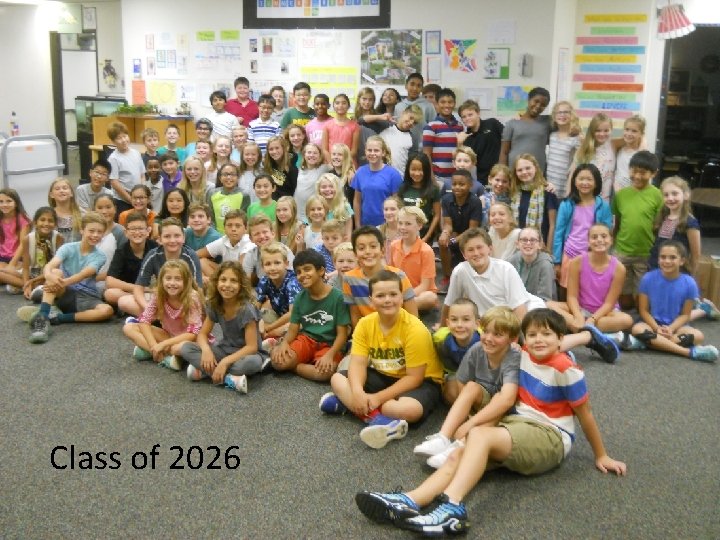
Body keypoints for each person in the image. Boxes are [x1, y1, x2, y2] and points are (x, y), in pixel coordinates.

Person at [355, 308, 626, 536]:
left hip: (550, 434)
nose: (539, 340)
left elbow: (585, 414)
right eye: (533, 334)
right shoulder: (523, 353)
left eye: (546, 335)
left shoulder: (567, 370)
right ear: (524, 339)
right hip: (517, 423)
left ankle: (452, 507)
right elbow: (515, 341)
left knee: (478, 435)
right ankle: (410, 500)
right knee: (459, 453)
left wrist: (601, 455)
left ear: (560, 338)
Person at [322, 270, 444, 449]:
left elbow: (414, 378)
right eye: (380, 296)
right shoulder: (365, 324)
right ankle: (379, 420)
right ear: (371, 300)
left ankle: (351, 405)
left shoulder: (415, 329)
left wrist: (378, 398)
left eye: (393, 294)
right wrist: (358, 392)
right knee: (337, 379)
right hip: (384, 373)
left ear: (401, 298)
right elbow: (358, 363)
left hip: (421, 381)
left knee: (408, 410)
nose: (387, 300)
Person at [414, 306, 521, 467]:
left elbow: (506, 400)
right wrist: (466, 414)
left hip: (504, 410)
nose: (488, 338)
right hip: (484, 401)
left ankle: (458, 447)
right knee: (471, 386)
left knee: (496, 407)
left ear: (512, 339)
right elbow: (462, 383)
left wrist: (471, 424)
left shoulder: (513, 358)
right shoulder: (477, 349)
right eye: (486, 331)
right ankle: (442, 438)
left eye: (497, 334)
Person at [18, 212, 114, 344]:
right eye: (91, 231)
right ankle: (42, 319)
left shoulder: (100, 256)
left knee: (107, 311)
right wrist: (49, 275)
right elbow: (50, 265)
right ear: (82, 230)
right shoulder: (67, 248)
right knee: (55, 272)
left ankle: (56, 317)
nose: (95, 235)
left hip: (87, 297)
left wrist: (62, 282)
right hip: (65, 292)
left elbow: (83, 274)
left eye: (100, 232)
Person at [180, 261, 267, 394]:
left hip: (246, 354)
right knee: (186, 348)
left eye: (233, 281)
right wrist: (206, 351)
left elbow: (251, 347)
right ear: (216, 282)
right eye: (223, 280)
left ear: (241, 285)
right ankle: (229, 379)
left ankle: (207, 372)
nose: (227, 285)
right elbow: (202, 334)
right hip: (224, 349)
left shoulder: (246, 310)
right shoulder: (215, 304)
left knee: (250, 364)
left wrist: (225, 362)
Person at [270, 249, 350, 381]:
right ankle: (295, 360)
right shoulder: (300, 298)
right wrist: (285, 343)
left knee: (325, 373)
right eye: (298, 272)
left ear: (321, 271)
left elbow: (342, 335)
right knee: (278, 362)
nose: (302, 275)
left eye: (307, 269)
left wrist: (330, 355)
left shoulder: (338, 298)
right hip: (306, 340)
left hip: (329, 345)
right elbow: (293, 329)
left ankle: (296, 366)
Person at [631, 242, 718, 362]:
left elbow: (685, 315)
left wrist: (671, 328)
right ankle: (689, 352)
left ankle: (648, 342)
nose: (667, 261)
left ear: (682, 261)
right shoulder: (648, 278)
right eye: (663, 257)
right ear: (658, 259)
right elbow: (643, 310)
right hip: (652, 324)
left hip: (676, 326)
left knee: (699, 336)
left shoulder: (689, 283)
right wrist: (656, 328)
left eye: (672, 257)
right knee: (637, 329)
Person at [441, 227, 544, 325]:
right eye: (470, 250)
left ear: (490, 249)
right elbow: (449, 303)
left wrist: (518, 337)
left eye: (479, 247)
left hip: (524, 313)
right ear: (464, 255)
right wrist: (442, 329)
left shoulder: (506, 269)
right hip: (489, 322)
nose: (476, 253)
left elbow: (519, 309)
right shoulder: (460, 271)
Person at [547, 223, 633, 338]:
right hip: (580, 309)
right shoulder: (577, 262)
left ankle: (580, 329)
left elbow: (609, 303)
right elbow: (572, 296)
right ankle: (590, 331)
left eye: (604, 236)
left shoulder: (619, 268)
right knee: (548, 306)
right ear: (588, 242)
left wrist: (593, 319)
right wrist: (578, 316)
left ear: (611, 240)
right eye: (594, 237)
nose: (599, 240)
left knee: (627, 320)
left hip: (605, 314)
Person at [122, 259, 202, 371]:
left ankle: (154, 352)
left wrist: (163, 344)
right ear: (161, 280)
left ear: (186, 281)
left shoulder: (192, 297)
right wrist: (153, 345)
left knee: (177, 349)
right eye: (168, 278)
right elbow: (144, 321)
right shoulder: (159, 294)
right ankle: (162, 356)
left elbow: (192, 334)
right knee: (128, 328)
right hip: (168, 335)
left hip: (189, 341)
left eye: (178, 279)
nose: (172, 283)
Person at [611, 150, 663, 309]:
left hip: (645, 253)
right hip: (622, 251)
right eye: (634, 171)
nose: (638, 176)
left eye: (643, 173)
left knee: (642, 295)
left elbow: (658, 225)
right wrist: (613, 242)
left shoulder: (658, 195)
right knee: (623, 294)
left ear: (654, 173)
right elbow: (618, 222)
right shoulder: (621, 195)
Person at [120, 217, 202, 317]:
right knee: (123, 301)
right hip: (161, 298)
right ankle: (161, 317)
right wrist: (147, 308)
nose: (172, 240)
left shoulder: (191, 256)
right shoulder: (153, 255)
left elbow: (198, 290)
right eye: (167, 236)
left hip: (183, 299)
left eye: (177, 236)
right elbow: (138, 288)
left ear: (184, 238)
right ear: (160, 239)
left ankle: (165, 318)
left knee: (198, 306)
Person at [553, 164, 613, 292]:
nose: (585, 183)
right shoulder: (566, 205)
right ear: (575, 181)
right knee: (567, 292)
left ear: (596, 183)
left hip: (592, 256)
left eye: (589, 179)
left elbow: (606, 233)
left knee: (588, 293)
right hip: (570, 254)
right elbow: (558, 234)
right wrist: (557, 261)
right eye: (581, 179)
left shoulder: (603, 206)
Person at [438, 169, 483, 292]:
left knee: (462, 241)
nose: (457, 187)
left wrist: (453, 240)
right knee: (442, 242)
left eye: (462, 184)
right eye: (454, 184)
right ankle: (448, 276)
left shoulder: (475, 202)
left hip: (471, 235)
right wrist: (445, 234)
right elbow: (448, 224)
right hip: (455, 233)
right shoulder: (446, 199)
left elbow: (472, 229)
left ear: (470, 185)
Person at [1, 206, 60, 298]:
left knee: (55, 276)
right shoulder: (28, 239)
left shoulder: (58, 238)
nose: (46, 223)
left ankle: (32, 286)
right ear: (35, 223)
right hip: (32, 272)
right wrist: (26, 285)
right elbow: (26, 267)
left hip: (48, 274)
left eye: (50, 221)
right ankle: (32, 287)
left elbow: (56, 267)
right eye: (42, 220)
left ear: (55, 224)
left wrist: (32, 281)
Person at [431, 298, 482, 403]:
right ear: (448, 323)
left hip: (481, 373)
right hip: (455, 371)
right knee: (452, 395)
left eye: (466, 319)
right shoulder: (440, 339)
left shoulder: (484, 340)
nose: (459, 325)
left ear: (477, 324)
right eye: (454, 320)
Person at [103, 211, 156, 310]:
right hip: (131, 293)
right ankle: (145, 306)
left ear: (148, 231)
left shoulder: (156, 248)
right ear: (126, 232)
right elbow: (110, 281)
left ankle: (139, 308)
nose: (137, 232)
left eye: (141, 228)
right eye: (133, 229)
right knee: (110, 294)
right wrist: (140, 289)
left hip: (152, 292)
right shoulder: (121, 251)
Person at [390, 206, 438, 312]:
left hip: (418, 293)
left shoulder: (426, 251)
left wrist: (403, 297)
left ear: (419, 226)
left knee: (430, 297)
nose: (403, 227)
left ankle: (399, 308)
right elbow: (391, 275)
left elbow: (424, 286)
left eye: (408, 224)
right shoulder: (394, 245)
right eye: (400, 223)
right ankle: (401, 308)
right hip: (399, 292)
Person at [510, 153, 558, 253]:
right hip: (518, 247)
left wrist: (549, 250)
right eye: (520, 170)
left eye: (528, 168)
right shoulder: (514, 192)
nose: (524, 172)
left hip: (541, 246)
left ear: (535, 168)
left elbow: (552, 225)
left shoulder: (548, 192)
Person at [255, 242, 302, 339]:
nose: (273, 268)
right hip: (279, 316)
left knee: (291, 327)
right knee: (257, 315)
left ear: (286, 264)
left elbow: (293, 314)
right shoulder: (265, 280)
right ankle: (268, 336)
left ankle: (269, 336)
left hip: (298, 318)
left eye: (277, 263)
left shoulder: (292, 282)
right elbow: (256, 306)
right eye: (268, 264)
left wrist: (269, 328)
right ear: (263, 267)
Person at [353, 136, 402, 227]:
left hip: (386, 225)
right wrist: (357, 225)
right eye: (369, 150)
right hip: (366, 225)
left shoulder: (393, 174)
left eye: (376, 150)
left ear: (383, 152)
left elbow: (397, 203)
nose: (372, 153)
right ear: (365, 151)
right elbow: (357, 201)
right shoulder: (360, 172)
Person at [499, 86, 552, 172]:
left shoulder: (547, 122)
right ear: (528, 99)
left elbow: (566, 119)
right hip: (515, 172)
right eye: (536, 101)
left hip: (538, 172)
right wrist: (502, 172)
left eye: (543, 105)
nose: (538, 106)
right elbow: (504, 152)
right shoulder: (512, 123)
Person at [456, 99, 503, 185]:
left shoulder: (492, 123)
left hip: (501, 174)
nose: (467, 118)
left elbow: (507, 140)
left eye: (470, 115)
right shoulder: (465, 138)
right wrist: (459, 143)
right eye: (464, 117)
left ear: (478, 113)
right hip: (483, 178)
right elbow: (462, 162)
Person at [422, 88, 464, 186]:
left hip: (457, 177)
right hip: (438, 178)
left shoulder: (460, 126)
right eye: (443, 102)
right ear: (437, 104)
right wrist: (432, 179)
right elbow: (426, 154)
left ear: (454, 104)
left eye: (450, 102)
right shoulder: (431, 126)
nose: (447, 105)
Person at [197, 209, 252, 280]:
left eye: (238, 226)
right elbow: (195, 255)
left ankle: (217, 284)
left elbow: (241, 271)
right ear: (224, 228)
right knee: (202, 262)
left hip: (243, 278)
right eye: (229, 225)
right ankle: (217, 284)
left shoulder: (249, 242)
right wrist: (202, 276)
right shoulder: (224, 240)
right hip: (226, 274)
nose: (233, 229)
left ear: (246, 228)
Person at [397, 154, 441, 243]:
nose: (417, 173)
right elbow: (398, 211)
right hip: (405, 234)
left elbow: (437, 215)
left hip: (424, 235)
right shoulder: (403, 188)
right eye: (413, 169)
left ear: (426, 170)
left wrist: (427, 237)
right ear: (408, 170)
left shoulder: (433, 189)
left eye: (420, 170)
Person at [573, 112, 617, 201]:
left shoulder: (614, 144)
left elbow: (637, 136)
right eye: (598, 130)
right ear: (592, 131)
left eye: (606, 130)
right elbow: (574, 174)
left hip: (606, 200)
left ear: (611, 130)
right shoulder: (585, 148)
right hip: (585, 199)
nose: (602, 134)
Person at [107, 121, 145, 214]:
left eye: (125, 136)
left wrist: (142, 192)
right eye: (119, 138)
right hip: (123, 200)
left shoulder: (136, 152)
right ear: (113, 142)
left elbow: (142, 175)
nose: (123, 140)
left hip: (138, 198)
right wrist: (130, 199)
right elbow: (114, 182)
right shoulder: (113, 158)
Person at [546, 101, 582, 199]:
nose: (562, 115)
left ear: (572, 115)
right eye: (559, 112)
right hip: (550, 184)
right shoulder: (552, 135)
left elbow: (577, 162)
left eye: (566, 112)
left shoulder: (576, 138)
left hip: (565, 186)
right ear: (554, 116)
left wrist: (569, 190)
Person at [508, 227, 555, 302]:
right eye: (524, 240)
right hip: (517, 302)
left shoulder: (545, 265)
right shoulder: (513, 260)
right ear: (517, 244)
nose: (528, 243)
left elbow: (545, 299)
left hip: (540, 305)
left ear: (540, 245)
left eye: (533, 240)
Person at [394, 73, 437, 145]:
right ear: (406, 86)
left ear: (422, 88)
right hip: (402, 146)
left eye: (419, 86)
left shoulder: (428, 106)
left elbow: (434, 129)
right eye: (412, 84)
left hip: (422, 147)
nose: (415, 88)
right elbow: (397, 127)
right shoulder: (398, 106)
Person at [295, 143, 331, 223]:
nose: (312, 155)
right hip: (297, 212)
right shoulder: (300, 169)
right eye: (309, 152)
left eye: (315, 153)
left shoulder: (323, 168)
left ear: (320, 156)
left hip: (312, 212)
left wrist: (350, 171)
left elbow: (340, 166)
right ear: (304, 155)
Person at [379, 106, 420, 175]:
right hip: (380, 175)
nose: (411, 123)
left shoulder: (413, 138)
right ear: (403, 113)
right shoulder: (385, 126)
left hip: (400, 177)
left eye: (415, 122)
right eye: (410, 118)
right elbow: (361, 120)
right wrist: (379, 117)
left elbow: (412, 163)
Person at [206, 163, 245, 235]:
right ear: (220, 178)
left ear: (238, 178)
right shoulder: (212, 193)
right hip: (216, 235)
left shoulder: (244, 195)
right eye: (225, 174)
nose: (229, 177)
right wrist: (216, 236)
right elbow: (210, 218)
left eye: (232, 174)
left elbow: (244, 220)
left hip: (236, 235)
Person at [0, 188, 30, 279]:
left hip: (18, 258)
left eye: (9, 201)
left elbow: (23, 245)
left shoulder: (23, 220)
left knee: (6, 273)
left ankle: (23, 281)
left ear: (16, 203)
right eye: (1, 202)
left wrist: (12, 264)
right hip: (2, 258)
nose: (4, 204)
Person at [322, 93, 359, 164]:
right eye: (337, 103)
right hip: (331, 164)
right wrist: (332, 163)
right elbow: (325, 149)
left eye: (344, 103)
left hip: (348, 163)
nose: (340, 105)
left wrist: (343, 163)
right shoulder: (327, 125)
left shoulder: (354, 126)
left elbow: (354, 150)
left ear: (348, 106)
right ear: (333, 106)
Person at [614, 115, 647, 193]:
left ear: (641, 134)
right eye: (627, 129)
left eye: (634, 131)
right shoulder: (620, 149)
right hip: (617, 190)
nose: (629, 133)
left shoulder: (641, 153)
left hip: (633, 192)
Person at [316, 172, 353, 240]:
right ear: (319, 190)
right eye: (324, 187)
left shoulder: (345, 207)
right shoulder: (315, 207)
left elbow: (348, 234)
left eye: (331, 186)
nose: (327, 189)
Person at [263, 135, 298, 200]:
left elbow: (294, 191)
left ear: (283, 148)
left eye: (277, 148)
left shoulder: (292, 169)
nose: (274, 151)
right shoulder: (267, 166)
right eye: (271, 149)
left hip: (285, 203)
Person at [48, 178, 82, 243]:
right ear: (51, 195)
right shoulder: (47, 215)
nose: (61, 191)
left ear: (71, 193)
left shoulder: (82, 213)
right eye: (57, 189)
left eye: (65, 188)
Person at [377, 195, 403, 262]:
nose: (388, 212)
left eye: (393, 209)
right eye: (386, 209)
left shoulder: (408, 231)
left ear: (400, 211)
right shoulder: (377, 230)